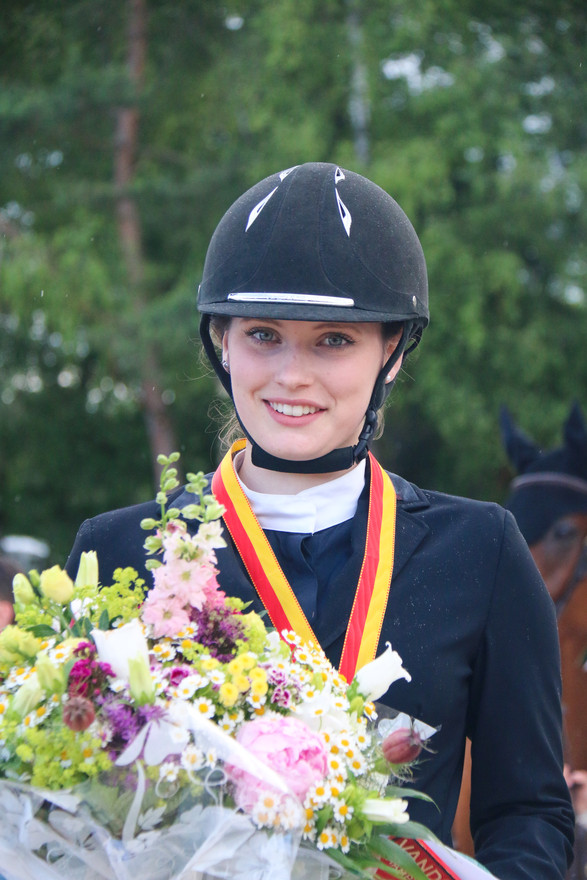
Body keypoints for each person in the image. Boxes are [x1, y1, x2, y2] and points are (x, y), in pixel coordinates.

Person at [66, 162, 574, 879]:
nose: (292, 375)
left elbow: (527, 813)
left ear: (390, 352)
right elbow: (69, 812)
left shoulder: (482, 551)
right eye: (263, 335)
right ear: (221, 342)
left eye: (333, 340)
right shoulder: (118, 552)